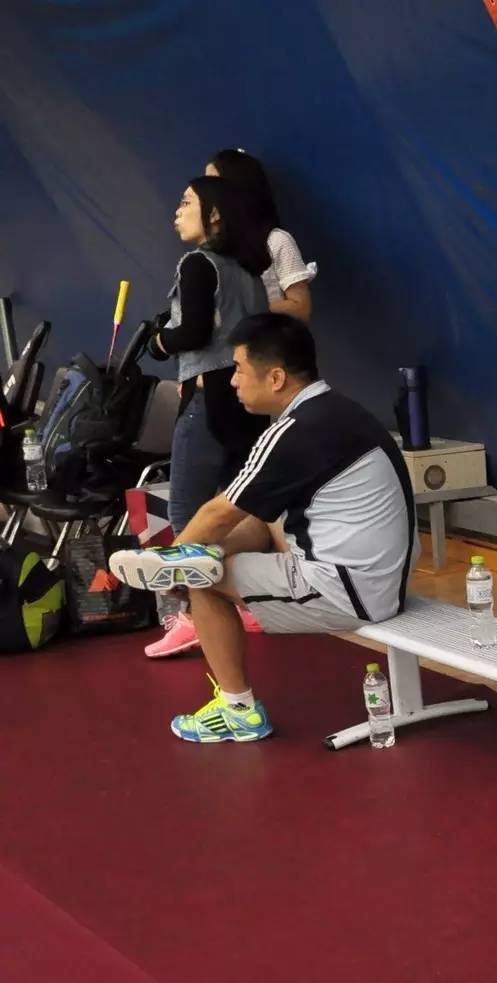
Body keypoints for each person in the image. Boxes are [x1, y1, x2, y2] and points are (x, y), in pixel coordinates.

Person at [110, 314, 417, 742]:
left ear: (275, 378)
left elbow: (217, 514)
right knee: (245, 526)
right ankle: (186, 562)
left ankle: (239, 712)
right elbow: (251, 517)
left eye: (238, 369)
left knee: (200, 577)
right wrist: (200, 552)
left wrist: (170, 566)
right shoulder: (335, 411)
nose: (233, 381)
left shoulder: (298, 429)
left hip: (349, 590)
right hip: (378, 579)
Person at [144, 176, 271, 660]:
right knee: (240, 508)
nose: (177, 212)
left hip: (207, 398)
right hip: (248, 401)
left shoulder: (198, 263)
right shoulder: (249, 272)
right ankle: (247, 601)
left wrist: (160, 340)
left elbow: (194, 333)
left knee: (188, 513)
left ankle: (194, 615)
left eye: (186, 203)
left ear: (215, 214)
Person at [206, 149, 318, 321]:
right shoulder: (211, 246)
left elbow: (301, 308)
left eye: (213, 183)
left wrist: (245, 308)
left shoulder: (276, 241)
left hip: (263, 335)